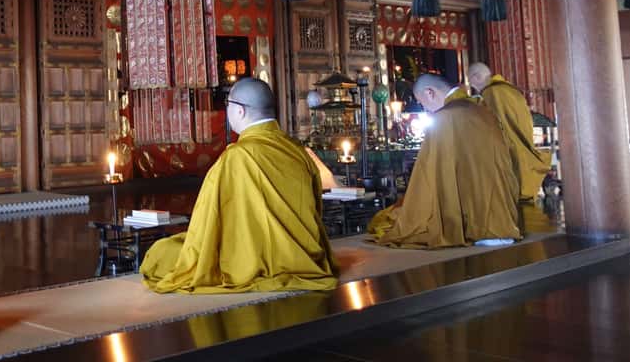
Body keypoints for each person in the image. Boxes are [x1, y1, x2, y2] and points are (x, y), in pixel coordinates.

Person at [140, 78, 338, 294]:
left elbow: (207, 221)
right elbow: (314, 208)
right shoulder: (298, 150)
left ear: (240, 111)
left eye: (229, 104)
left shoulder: (238, 156)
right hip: (305, 255)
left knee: (161, 254)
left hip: (251, 257)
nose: (227, 110)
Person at [369, 74, 521, 248]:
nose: (426, 109)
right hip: (505, 216)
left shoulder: (445, 117)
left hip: (474, 225)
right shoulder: (482, 108)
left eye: (423, 103)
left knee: (395, 219)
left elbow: (428, 173)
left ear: (430, 93)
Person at [467, 62, 551, 202]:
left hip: (508, 158)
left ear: (476, 77)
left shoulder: (491, 93)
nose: (472, 86)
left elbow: (490, 129)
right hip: (523, 153)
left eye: (471, 82)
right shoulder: (511, 90)